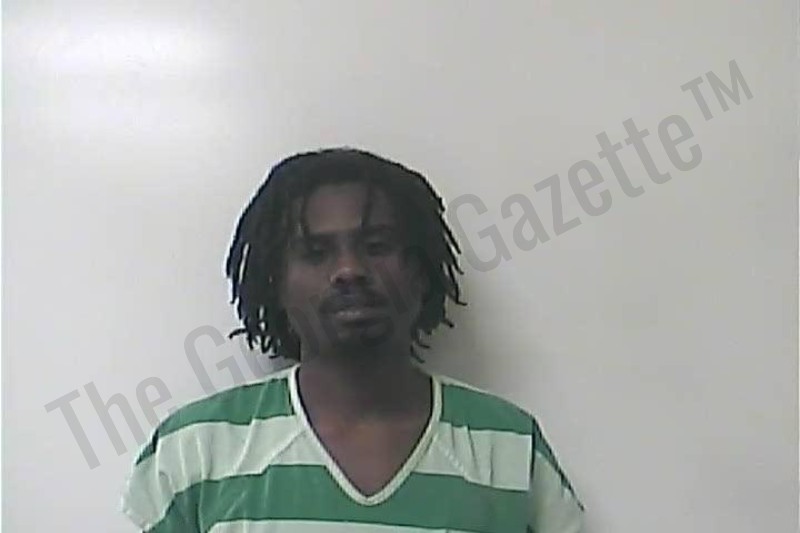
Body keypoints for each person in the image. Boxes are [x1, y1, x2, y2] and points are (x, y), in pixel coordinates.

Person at [122, 148, 585, 532]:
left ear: (421, 270)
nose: (349, 270)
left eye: (377, 246)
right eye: (315, 252)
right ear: (275, 283)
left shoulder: (508, 446)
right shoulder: (194, 447)